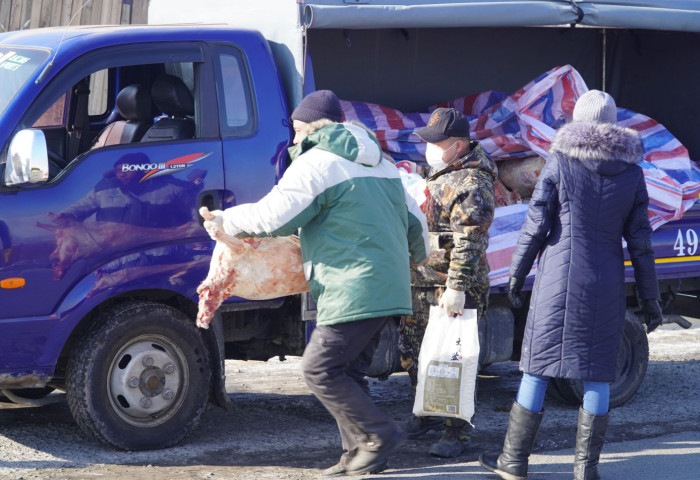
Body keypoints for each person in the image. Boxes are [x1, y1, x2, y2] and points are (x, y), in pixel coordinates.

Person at [203, 89, 430, 476]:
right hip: (388, 287)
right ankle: (359, 456)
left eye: (296, 129)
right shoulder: (385, 166)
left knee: (319, 369)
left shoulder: (319, 163)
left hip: (352, 285)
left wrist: (228, 220)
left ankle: (379, 436)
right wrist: (417, 258)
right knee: (348, 373)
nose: (293, 139)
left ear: (312, 126)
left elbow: (274, 216)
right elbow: (418, 228)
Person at [478, 90, 663, 480]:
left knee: (536, 369)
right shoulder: (632, 173)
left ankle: (513, 462)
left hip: (557, 277)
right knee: (598, 373)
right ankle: (586, 471)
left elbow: (536, 223)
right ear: (613, 123)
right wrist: (650, 298)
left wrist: (516, 273)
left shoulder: (559, 162)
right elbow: (641, 242)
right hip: (607, 280)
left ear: (577, 120)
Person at [399, 107, 497, 458]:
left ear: (456, 146)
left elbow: (470, 240)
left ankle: (457, 432)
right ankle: (426, 413)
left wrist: (457, 287)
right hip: (423, 280)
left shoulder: (472, 183)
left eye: (436, 142)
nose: (428, 148)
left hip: (453, 287)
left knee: (453, 359)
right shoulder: (442, 173)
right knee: (413, 352)